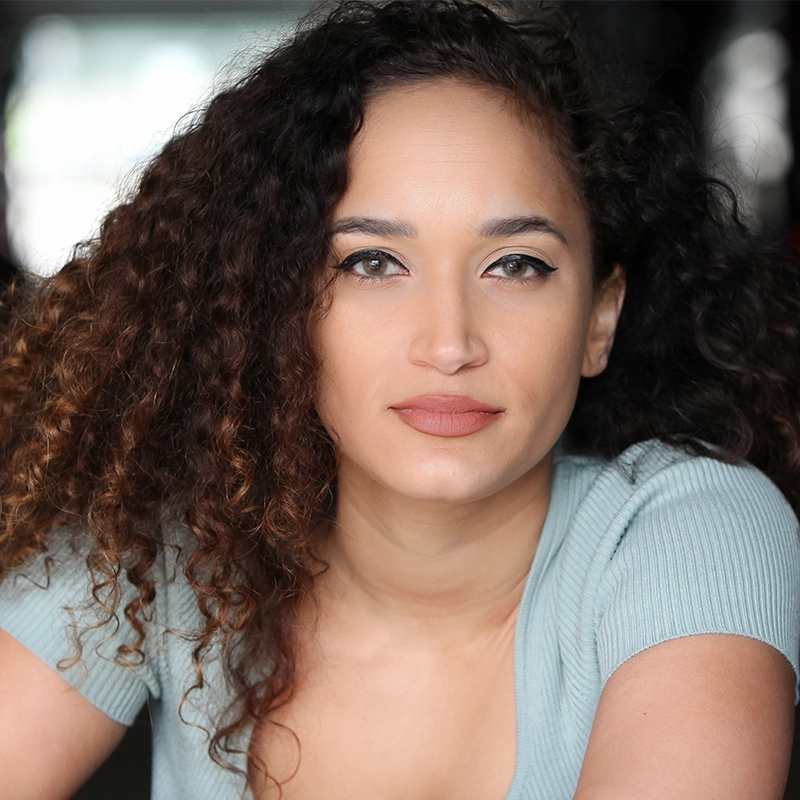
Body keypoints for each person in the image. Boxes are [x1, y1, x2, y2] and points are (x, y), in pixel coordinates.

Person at [1, 1, 799, 798]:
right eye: (373, 263)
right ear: (275, 306)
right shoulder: (167, 545)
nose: (450, 344)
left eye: (516, 264)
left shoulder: (690, 533)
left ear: (599, 319)